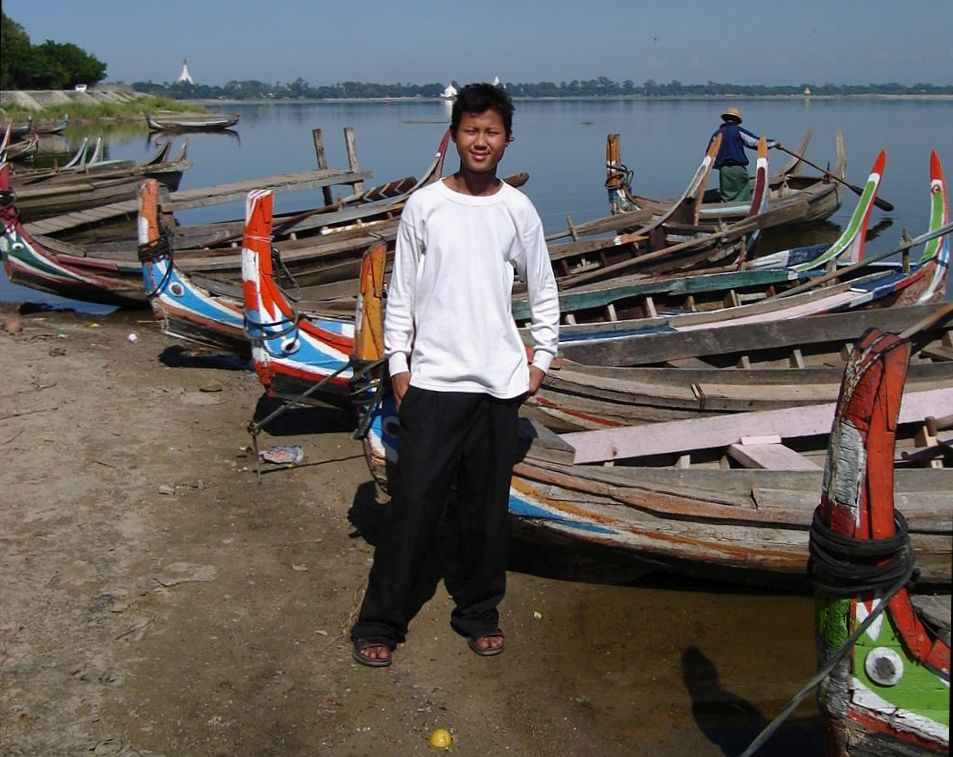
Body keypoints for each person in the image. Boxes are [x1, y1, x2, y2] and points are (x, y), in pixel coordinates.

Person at [349, 83, 560, 668]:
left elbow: (543, 289)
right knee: (412, 505)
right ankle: (381, 620)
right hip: (432, 384)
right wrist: (398, 364)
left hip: (497, 385)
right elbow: (403, 293)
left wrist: (539, 360)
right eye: (471, 130)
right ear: (455, 135)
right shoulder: (425, 206)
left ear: (507, 139)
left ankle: (478, 610)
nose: (481, 141)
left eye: (492, 131)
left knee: (485, 512)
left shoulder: (517, 210)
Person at [708, 106, 782, 202]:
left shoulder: (717, 134)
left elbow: (709, 154)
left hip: (724, 171)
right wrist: (775, 143)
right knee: (743, 196)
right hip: (738, 168)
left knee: (728, 196)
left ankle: (728, 211)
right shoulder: (738, 131)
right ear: (737, 120)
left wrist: (718, 166)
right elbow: (756, 143)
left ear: (725, 119)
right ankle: (746, 212)